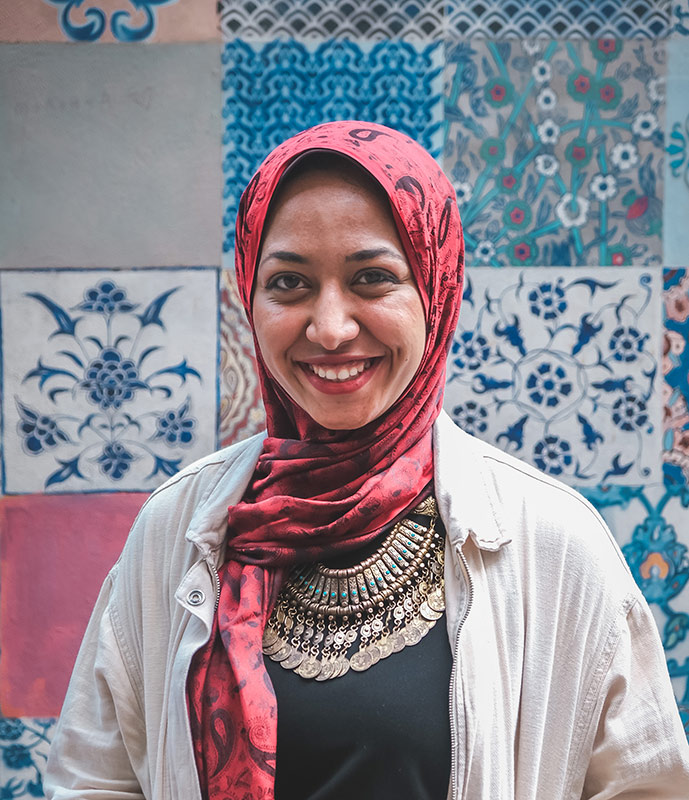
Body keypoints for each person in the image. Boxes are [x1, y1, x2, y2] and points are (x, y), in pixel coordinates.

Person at [45, 121, 689, 799]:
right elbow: (95, 782)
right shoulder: (176, 531)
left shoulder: (549, 544)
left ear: (435, 290)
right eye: (289, 283)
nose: (329, 327)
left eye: (372, 279)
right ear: (249, 294)